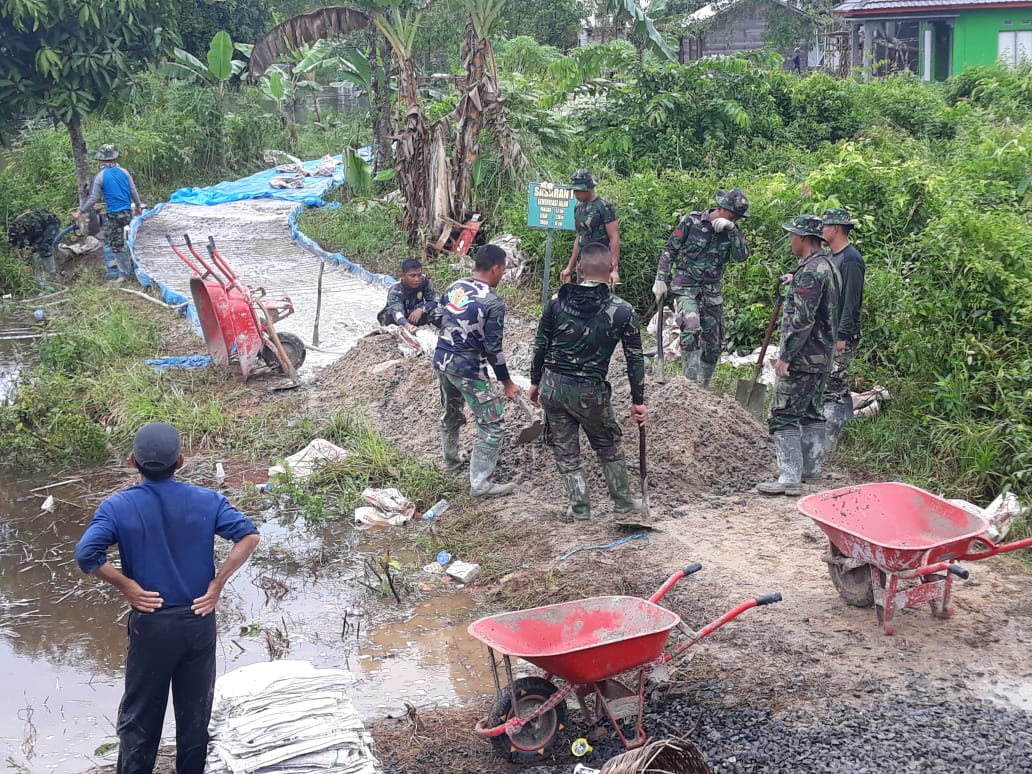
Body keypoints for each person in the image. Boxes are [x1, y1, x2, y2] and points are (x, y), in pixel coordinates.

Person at [74, 422, 260, 774]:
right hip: (198, 620)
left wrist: (127, 586)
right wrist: (217, 584)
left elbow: (87, 555)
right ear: (181, 462)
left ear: (133, 461)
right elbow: (249, 536)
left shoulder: (117, 507)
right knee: (195, 717)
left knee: (140, 720)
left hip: (153, 625)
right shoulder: (207, 500)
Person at [530, 242, 649, 525]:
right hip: (590, 392)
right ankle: (623, 505)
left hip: (552, 386)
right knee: (608, 445)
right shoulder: (623, 311)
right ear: (611, 269)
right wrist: (638, 401)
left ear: (580, 268)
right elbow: (635, 359)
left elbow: (540, 345)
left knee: (565, 449)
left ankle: (580, 510)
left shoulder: (556, 302)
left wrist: (535, 382)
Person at [757, 215, 838, 496]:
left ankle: (789, 477)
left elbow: (802, 319)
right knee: (812, 411)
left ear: (803, 238)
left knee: (783, 414)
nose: (790, 240)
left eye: (792, 236)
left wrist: (787, 356)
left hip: (803, 357)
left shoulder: (811, 272)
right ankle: (811, 469)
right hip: (822, 355)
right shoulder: (827, 265)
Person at [434, 244, 521, 497]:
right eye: (503, 270)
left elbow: (437, 317)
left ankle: (451, 460)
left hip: (442, 361)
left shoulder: (455, 287)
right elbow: (494, 349)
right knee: (492, 423)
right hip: (468, 369)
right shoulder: (492, 302)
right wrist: (507, 383)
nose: (503, 275)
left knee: (451, 411)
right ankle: (481, 484)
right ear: (495, 268)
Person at [652, 189, 750, 386]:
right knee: (691, 328)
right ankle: (689, 386)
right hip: (686, 286)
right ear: (720, 208)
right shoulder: (692, 221)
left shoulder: (732, 231)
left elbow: (742, 257)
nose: (735, 219)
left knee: (714, 344)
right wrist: (660, 279)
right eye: (733, 215)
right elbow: (670, 249)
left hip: (711, 291)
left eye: (738, 218)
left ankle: (702, 388)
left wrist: (732, 229)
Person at [821, 207, 865, 451]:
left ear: (836, 228)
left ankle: (830, 440)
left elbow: (851, 301)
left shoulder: (850, 260)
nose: (821, 230)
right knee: (834, 381)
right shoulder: (832, 256)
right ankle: (840, 426)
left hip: (841, 333)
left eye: (825, 226)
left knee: (834, 384)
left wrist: (843, 335)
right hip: (828, 330)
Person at [72, 144, 144, 282]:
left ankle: (124, 274)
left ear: (101, 160)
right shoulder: (124, 172)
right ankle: (129, 264)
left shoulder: (100, 177)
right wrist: (138, 206)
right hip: (127, 212)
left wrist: (80, 211)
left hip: (114, 215)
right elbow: (133, 191)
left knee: (116, 244)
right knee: (126, 238)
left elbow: (93, 198)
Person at [559, 169, 621, 285]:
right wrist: (569, 267)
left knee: (601, 295)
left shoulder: (604, 207)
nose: (576, 194)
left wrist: (614, 269)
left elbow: (614, 237)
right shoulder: (578, 207)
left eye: (579, 190)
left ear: (589, 188)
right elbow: (579, 238)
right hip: (584, 265)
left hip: (601, 265)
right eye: (574, 190)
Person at [376, 258, 439, 329]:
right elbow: (397, 313)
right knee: (391, 316)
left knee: (438, 311)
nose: (417, 279)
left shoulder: (424, 281)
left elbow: (434, 300)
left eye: (419, 275)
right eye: (412, 276)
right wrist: (408, 326)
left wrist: (421, 309)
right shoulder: (395, 291)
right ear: (402, 276)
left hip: (415, 314)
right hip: (396, 318)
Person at [7, 208, 61, 276]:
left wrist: (32, 249)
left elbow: (38, 238)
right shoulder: (13, 234)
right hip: (39, 227)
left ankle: (52, 272)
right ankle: (40, 271)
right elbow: (17, 247)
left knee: (44, 247)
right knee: (35, 248)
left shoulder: (30, 225)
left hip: (52, 223)